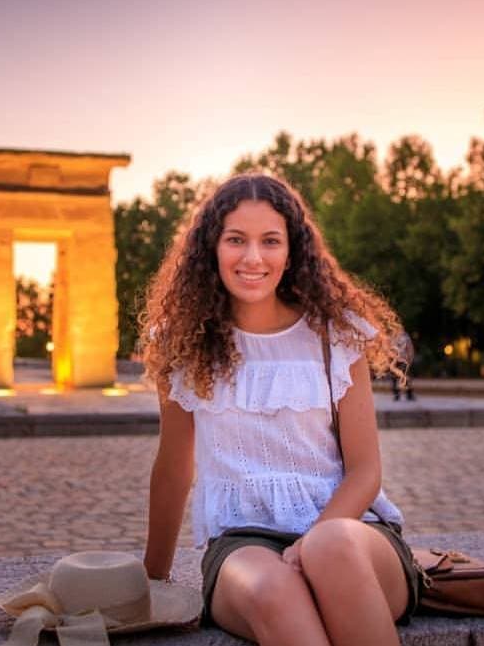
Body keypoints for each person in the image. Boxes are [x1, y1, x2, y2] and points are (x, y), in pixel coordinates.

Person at [140, 174, 419, 646]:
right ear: (212, 248)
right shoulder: (181, 343)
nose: (253, 258)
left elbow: (366, 471)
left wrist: (312, 543)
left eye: (270, 241)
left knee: (329, 549)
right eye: (236, 240)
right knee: (274, 589)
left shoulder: (337, 334)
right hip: (243, 546)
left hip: (352, 534)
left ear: (292, 252)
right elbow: (174, 467)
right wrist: (150, 581)